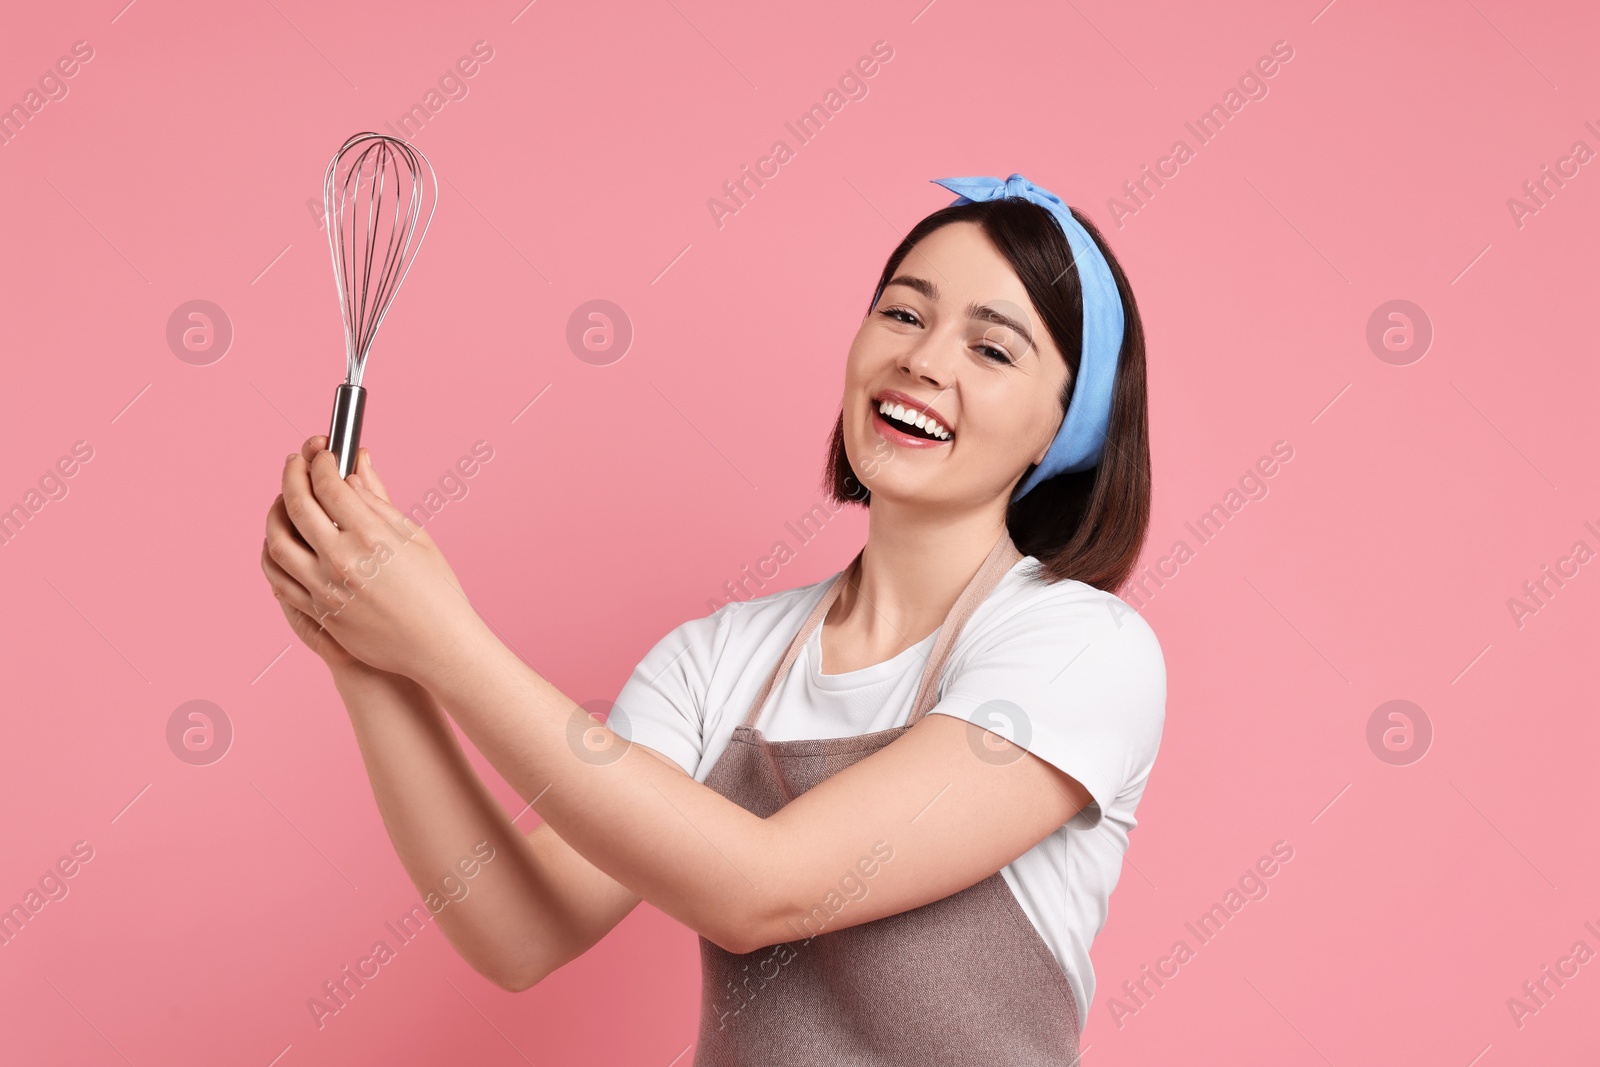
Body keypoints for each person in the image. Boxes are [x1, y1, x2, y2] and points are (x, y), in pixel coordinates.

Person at [260, 172, 1165, 1065]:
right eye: (903, 313)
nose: (924, 361)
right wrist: (373, 657)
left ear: (1063, 429)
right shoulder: (716, 658)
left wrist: (444, 640)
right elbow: (520, 925)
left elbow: (762, 886)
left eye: (993, 350)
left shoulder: (1081, 650)